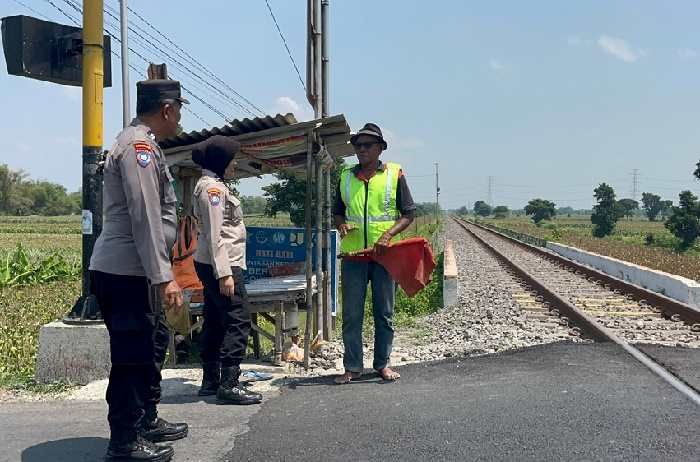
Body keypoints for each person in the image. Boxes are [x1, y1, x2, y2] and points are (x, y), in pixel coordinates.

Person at [90, 80, 189, 461]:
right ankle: (125, 442)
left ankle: (145, 419)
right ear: (167, 109)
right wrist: (165, 276)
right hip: (126, 271)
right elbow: (146, 217)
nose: (180, 118)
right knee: (132, 355)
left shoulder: (144, 143)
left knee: (149, 347)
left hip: (136, 271)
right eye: (179, 109)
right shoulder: (139, 147)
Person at [333, 123, 416, 384]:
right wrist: (340, 223)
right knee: (351, 315)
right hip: (354, 256)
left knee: (384, 314)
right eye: (358, 146)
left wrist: (388, 235)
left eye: (367, 145)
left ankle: (383, 364)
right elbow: (337, 211)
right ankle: (353, 367)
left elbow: (409, 214)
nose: (361, 150)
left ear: (380, 149)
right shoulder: (345, 175)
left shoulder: (394, 174)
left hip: (385, 257)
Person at [191, 135, 262, 405]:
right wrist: (225, 274)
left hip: (211, 262)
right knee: (238, 319)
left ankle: (211, 380)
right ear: (222, 161)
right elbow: (215, 234)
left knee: (214, 318)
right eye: (233, 161)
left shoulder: (213, 185)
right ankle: (229, 384)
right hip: (222, 263)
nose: (235, 165)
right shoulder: (213, 190)